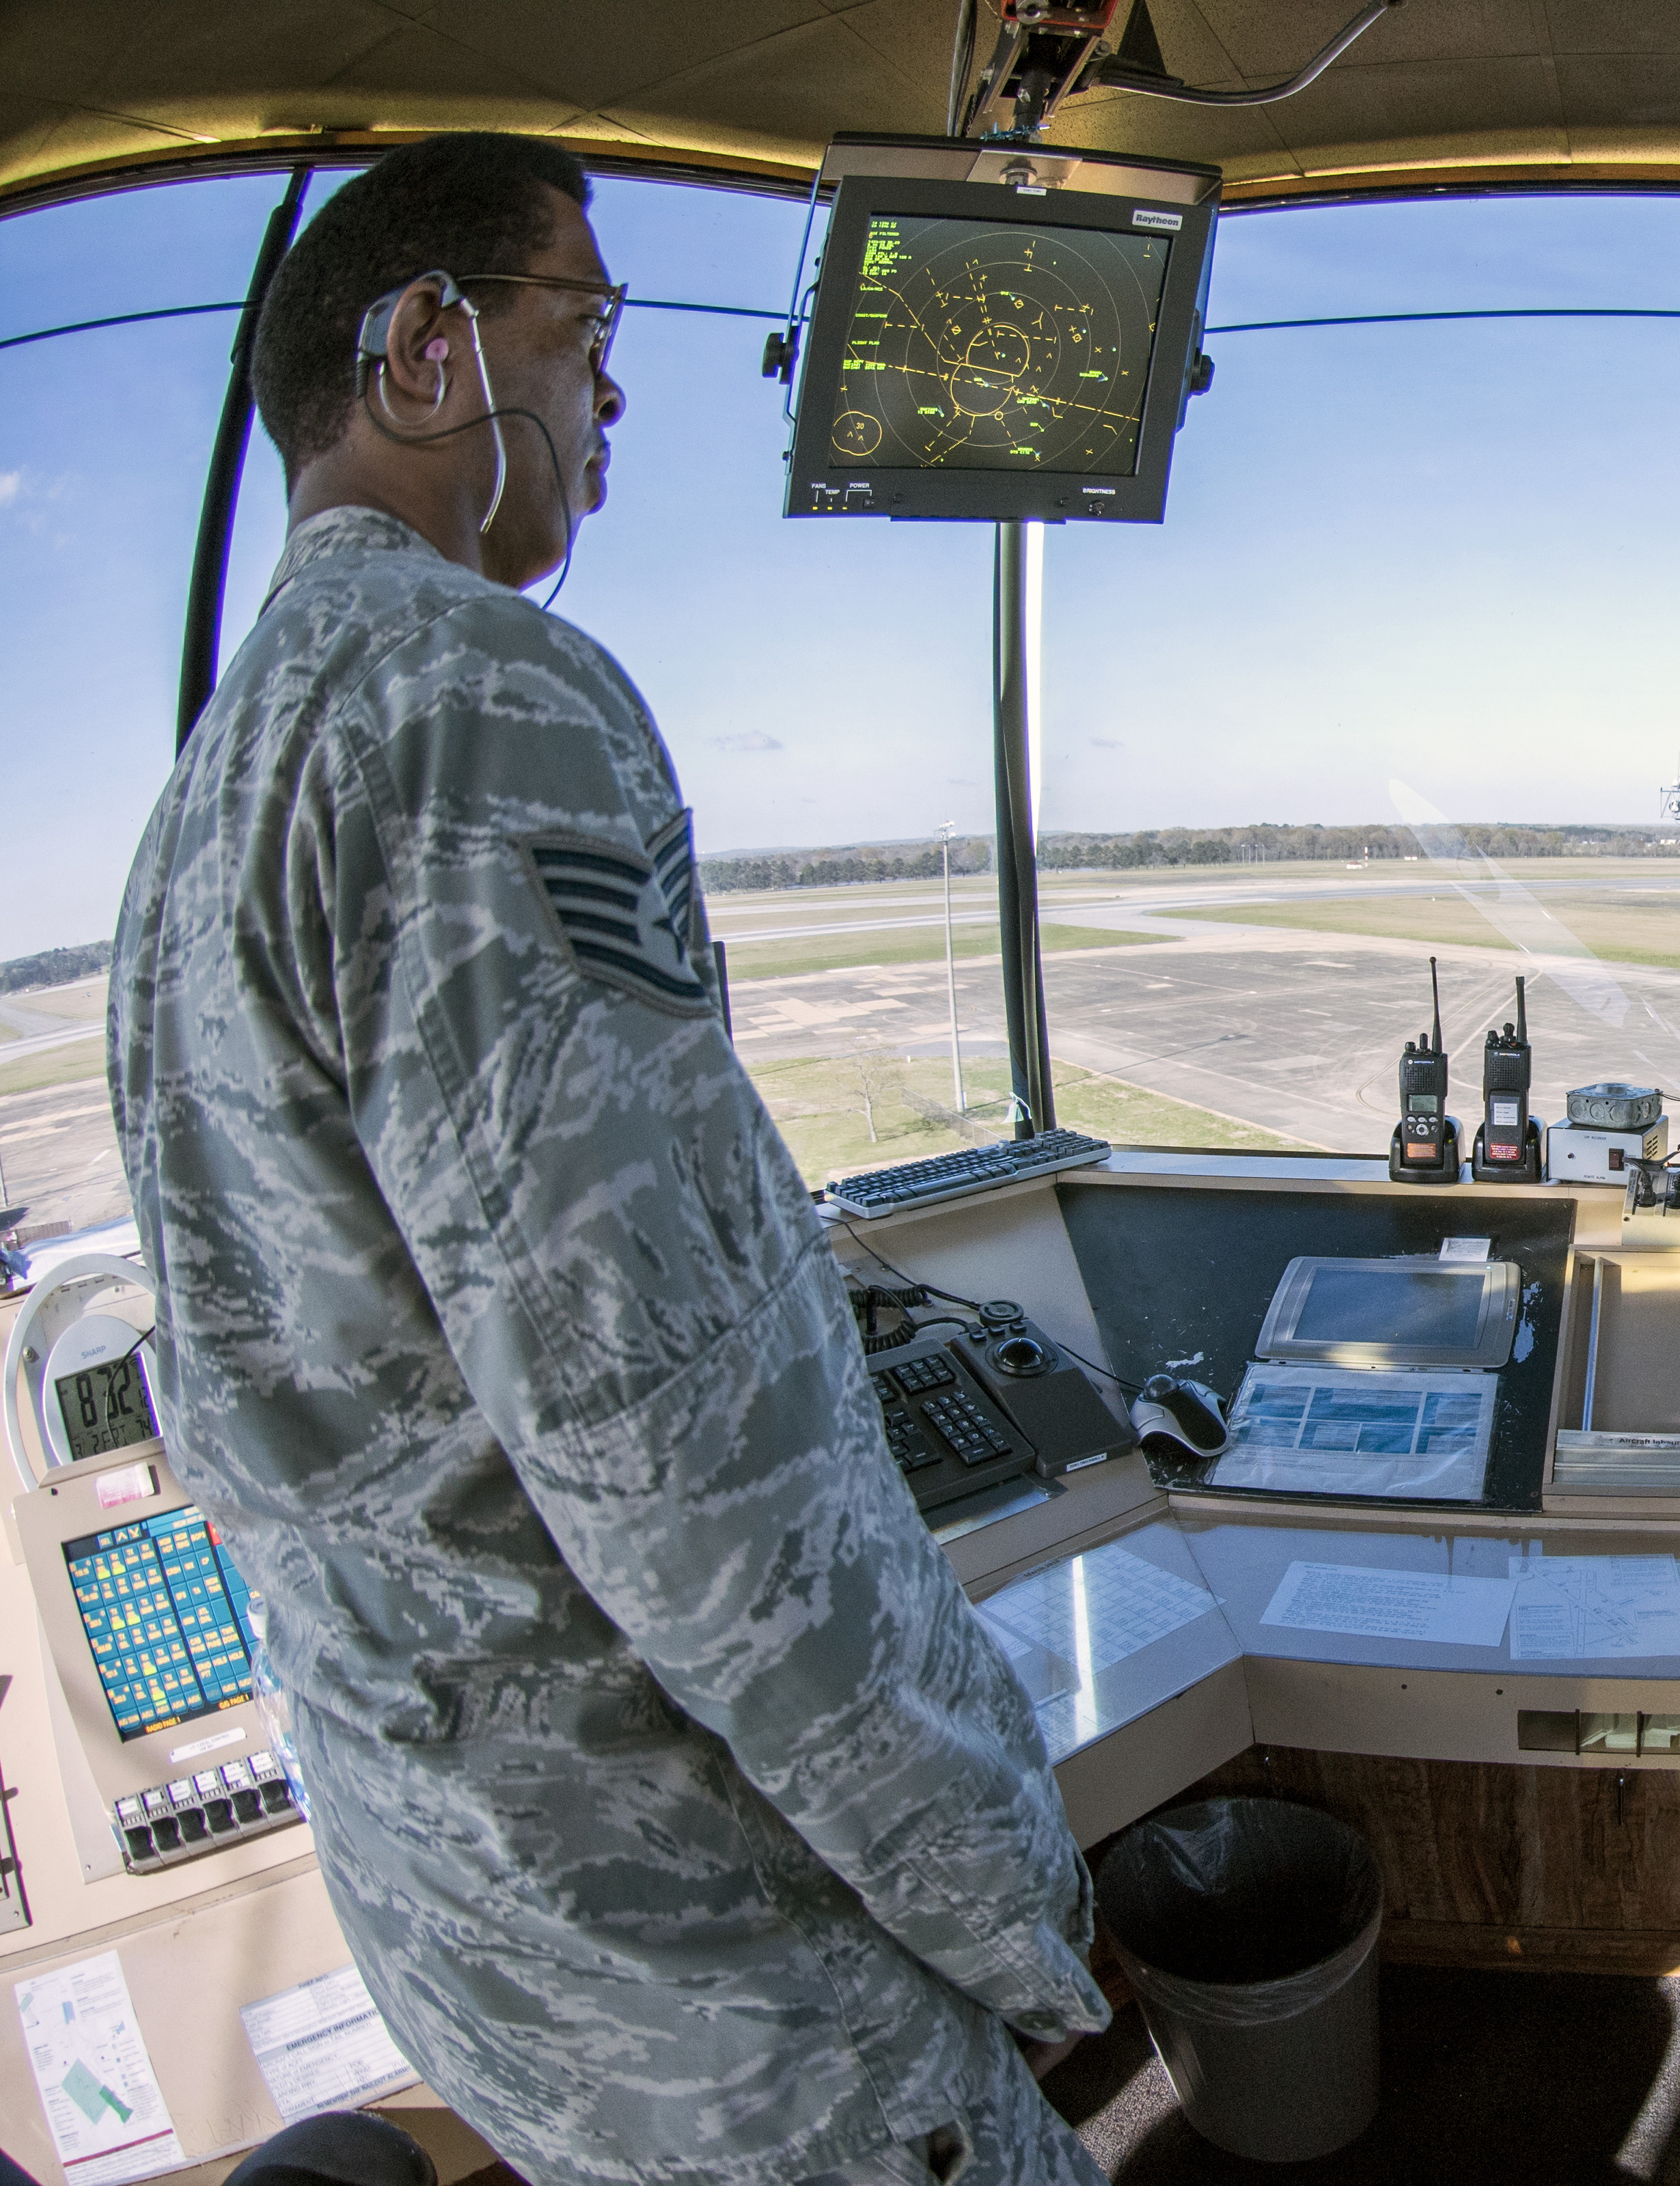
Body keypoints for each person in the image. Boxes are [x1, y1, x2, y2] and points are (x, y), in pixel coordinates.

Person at [109, 134, 1109, 2186]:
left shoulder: (196, 810)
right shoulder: (474, 694)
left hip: (488, 1942)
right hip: (726, 1964)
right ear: (425, 347)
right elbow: (684, 1452)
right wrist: (1004, 1884)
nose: (616, 391)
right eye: (585, 328)